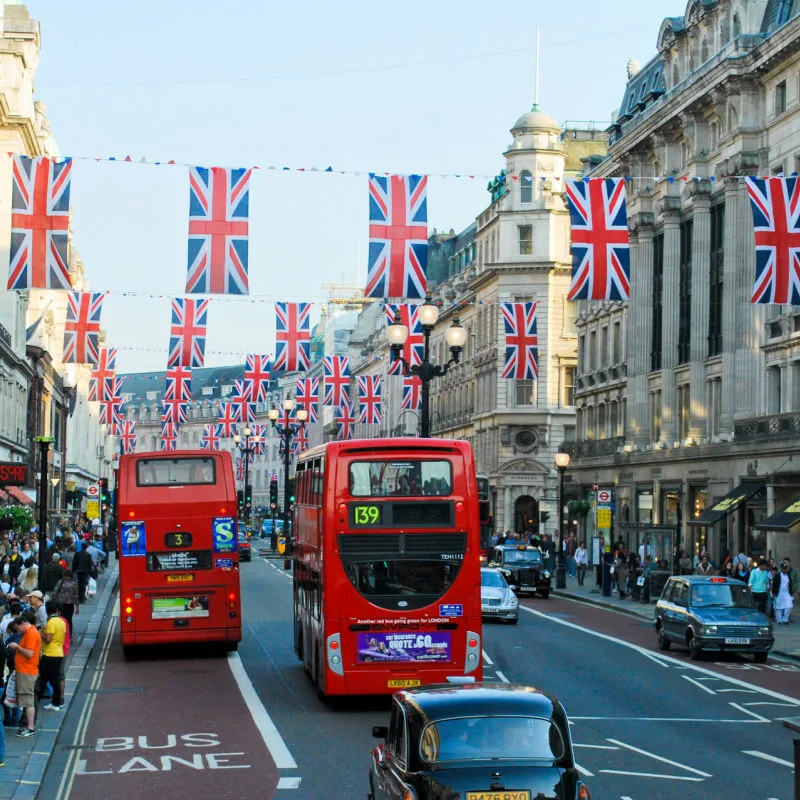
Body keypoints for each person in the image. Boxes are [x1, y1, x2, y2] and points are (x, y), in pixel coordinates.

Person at [8, 612, 41, 737]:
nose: (18, 631)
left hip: (27, 672)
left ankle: (30, 728)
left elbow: (29, 654)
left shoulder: (31, 634)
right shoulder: (28, 633)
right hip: (25, 671)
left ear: (22, 624)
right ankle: (28, 726)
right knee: (26, 700)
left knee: (27, 701)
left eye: (18, 628)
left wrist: (17, 647)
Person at [39, 600, 66, 711]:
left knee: (47, 679)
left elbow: (48, 639)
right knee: (52, 679)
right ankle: (56, 703)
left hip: (50, 654)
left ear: (47, 610)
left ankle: (52, 703)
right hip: (58, 652)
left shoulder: (51, 623)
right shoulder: (61, 621)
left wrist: (41, 632)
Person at [52, 570, 79, 636]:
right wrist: (77, 607)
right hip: (70, 604)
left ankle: (61, 635)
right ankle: (69, 636)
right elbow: (76, 596)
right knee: (69, 620)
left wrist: (53, 599)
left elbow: (55, 591)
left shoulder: (60, 581)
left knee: (61, 619)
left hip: (60, 603)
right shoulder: (74, 583)